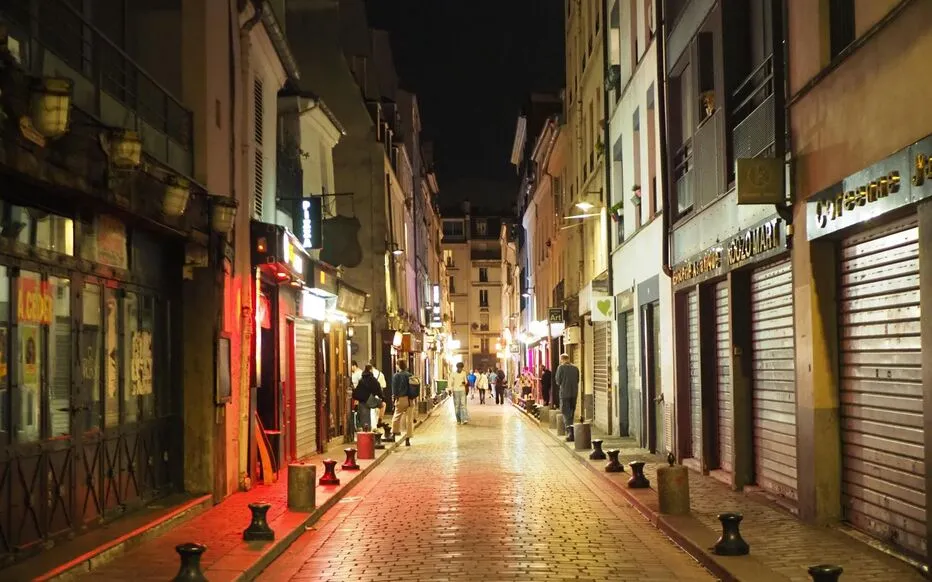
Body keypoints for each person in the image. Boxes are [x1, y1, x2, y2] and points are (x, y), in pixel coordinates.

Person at [554, 354, 580, 436]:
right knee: (572, 412)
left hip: (564, 393)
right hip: (574, 393)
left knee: (565, 412)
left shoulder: (560, 368)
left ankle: (569, 432)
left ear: (562, 359)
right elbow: (577, 380)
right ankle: (571, 430)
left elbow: (558, 381)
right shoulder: (575, 368)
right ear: (568, 359)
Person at [390, 360, 414, 446]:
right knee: (409, 419)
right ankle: (407, 439)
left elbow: (394, 390)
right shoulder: (410, 375)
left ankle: (393, 434)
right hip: (410, 400)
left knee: (396, 416)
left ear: (398, 366)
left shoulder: (396, 376)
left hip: (400, 399)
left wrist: (394, 398)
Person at [351, 365, 382, 432]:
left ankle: (366, 432)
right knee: (375, 412)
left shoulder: (361, 380)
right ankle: (373, 429)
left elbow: (358, 390)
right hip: (371, 400)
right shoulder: (373, 379)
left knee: (364, 419)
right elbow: (378, 389)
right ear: (370, 370)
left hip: (362, 401)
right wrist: (382, 397)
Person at [369, 361, 388, 429]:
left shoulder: (366, 374)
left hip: (369, 396)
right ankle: (378, 423)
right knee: (377, 411)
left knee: (371, 412)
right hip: (377, 395)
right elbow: (383, 386)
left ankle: (373, 427)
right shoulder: (380, 374)